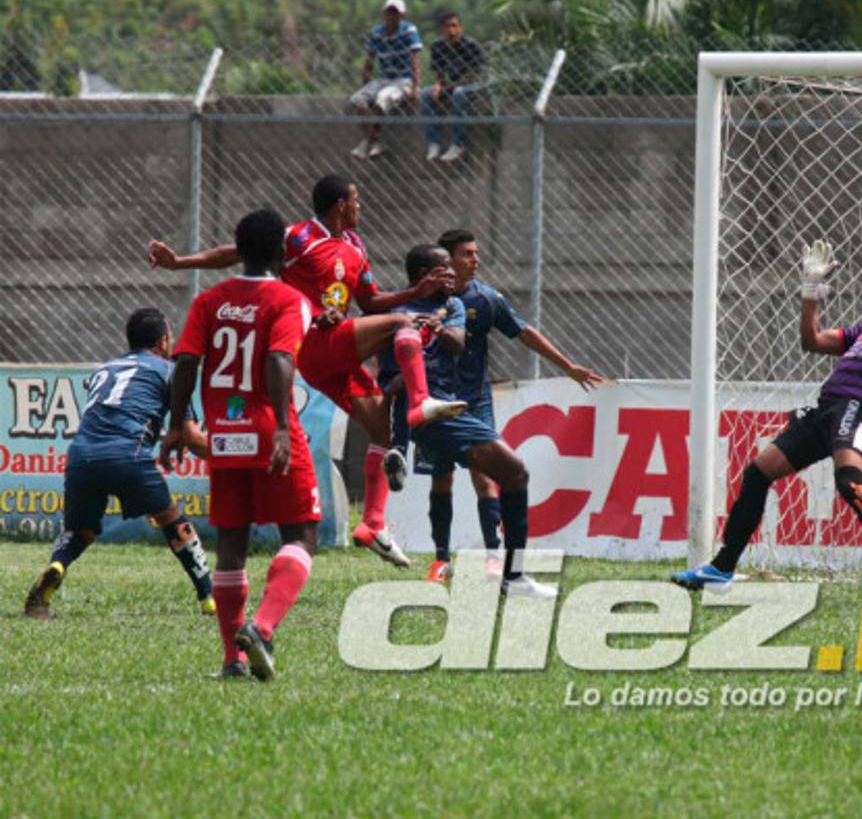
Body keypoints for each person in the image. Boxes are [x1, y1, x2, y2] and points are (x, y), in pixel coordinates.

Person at [147, 175, 465, 569]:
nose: (360, 207)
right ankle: (419, 403)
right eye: (356, 200)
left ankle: (373, 525)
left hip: (334, 355)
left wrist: (414, 294)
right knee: (403, 324)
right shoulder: (300, 237)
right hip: (312, 341)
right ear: (340, 205)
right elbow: (237, 252)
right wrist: (180, 262)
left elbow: (370, 302)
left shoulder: (355, 245)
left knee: (381, 428)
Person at [671, 236, 862, 608]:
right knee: (758, 473)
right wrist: (810, 289)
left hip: (856, 408)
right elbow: (811, 340)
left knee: (849, 483)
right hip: (825, 411)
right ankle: (722, 567)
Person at [162, 208, 322, 681]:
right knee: (301, 535)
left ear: (240, 250)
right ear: (280, 252)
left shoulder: (210, 300)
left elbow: (185, 362)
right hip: (271, 433)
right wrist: (280, 428)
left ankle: (233, 659)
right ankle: (262, 628)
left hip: (225, 437)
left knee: (232, 542)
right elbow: (278, 358)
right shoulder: (289, 299)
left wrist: (177, 425)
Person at [412, 229, 604, 582]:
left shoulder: (485, 299)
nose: (476, 259)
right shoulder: (422, 300)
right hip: (435, 402)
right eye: (467, 254)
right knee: (441, 478)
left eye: (476, 253)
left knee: (486, 475)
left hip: (474, 401)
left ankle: (493, 556)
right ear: (447, 260)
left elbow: (524, 332)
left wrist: (567, 366)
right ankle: (441, 560)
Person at [379, 244, 555, 597]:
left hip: (448, 408)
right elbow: (385, 375)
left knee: (505, 474)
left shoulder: (454, 306)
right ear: (422, 276)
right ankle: (501, 574)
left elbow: (457, 343)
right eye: (443, 268)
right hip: (425, 413)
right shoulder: (395, 312)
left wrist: (439, 327)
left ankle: (502, 565)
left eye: (451, 267)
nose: (451, 273)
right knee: (511, 472)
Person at [24, 309, 212, 619]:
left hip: (81, 456)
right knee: (170, 517)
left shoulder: (106, 368)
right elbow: (192, 438)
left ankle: (58, 564)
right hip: (128, 453)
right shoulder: (170, 371)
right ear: (163, 341)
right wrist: (235, 458)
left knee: (80, 531)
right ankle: (208, 596)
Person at [349, 0, 423, 159]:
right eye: (389, 12)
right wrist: (365, 84)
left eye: (395, 13)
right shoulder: (377, 32)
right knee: (357, 100)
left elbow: (414, 60)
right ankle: (373, 140)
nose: (392, 16)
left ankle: (368, 141)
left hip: (403, 79)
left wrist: (415, 86)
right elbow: (370, 59)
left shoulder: (408, 30)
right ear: (384, 14)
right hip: (384, 79)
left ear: (402, 15)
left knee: (382, 98)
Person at [420, 12, 486, 163]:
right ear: (442, 30)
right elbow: (439, 73)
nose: (451, 31)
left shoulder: (471, 45)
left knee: (458, 93)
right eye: (447, 27)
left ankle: (458, 144)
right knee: (424, 94)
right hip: (450, 85)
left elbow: (472, 76)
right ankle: (433, 143)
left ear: (461, 28)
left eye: (454, 26)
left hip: (473, 84)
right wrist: (438, 85)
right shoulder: (438, 46)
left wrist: (445, 87)